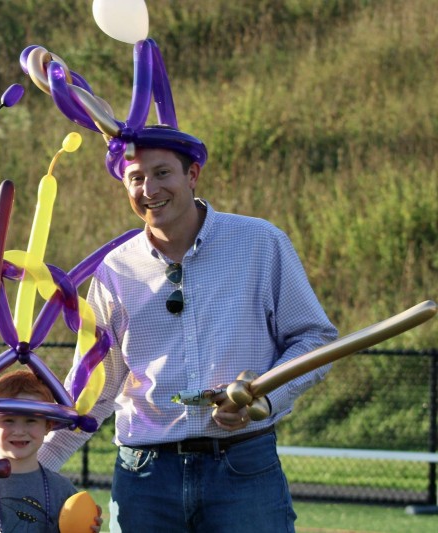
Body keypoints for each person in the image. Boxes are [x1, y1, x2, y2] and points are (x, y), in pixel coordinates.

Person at [38, 125, 338, 532]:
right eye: (136, 178)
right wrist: (27, 467)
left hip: (243, 467)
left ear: (192, 174)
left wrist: (261, 400)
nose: (149, 189)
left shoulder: (260, 243)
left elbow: (314, 339)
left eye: (162, 173)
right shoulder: (115, 270)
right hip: (145, 478)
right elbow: (96, 388)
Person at [0, 369, 102, 533]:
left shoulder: (63, 491)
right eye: (9, 420)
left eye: (30, 420)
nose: (19, 430)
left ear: (48, 426)